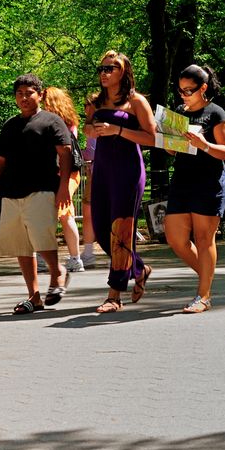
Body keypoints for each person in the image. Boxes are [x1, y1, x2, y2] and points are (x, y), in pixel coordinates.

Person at [0, 74, 74, 314]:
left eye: (29, 92)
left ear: (40, 95)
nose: (24, 97)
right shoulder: (10, 125)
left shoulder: (52, 121)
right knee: (20, 246)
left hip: (42, 189)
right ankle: (34, 297)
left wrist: (63, 188)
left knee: (43, 238)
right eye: (20, 93)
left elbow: (66, 154)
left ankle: (57, 271)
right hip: (11, 192)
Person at [84, 51, 157, 313]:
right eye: (101, 68)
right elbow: (87, 128)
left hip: (128, 172)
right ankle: (139, 267)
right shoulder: (95, 101)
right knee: (102, 230)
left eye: (110, 68)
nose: (104, 73)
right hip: (102, 171)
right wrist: (92, 129)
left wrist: (119, 130)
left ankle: (114, 295)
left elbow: (152, 138)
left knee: (120, 231)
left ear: (123, 72)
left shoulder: (136, 101)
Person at [163, 64, 225, 313]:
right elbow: (171, 149)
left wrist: (204, 144)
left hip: (209, 181)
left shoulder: (216, 113)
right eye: (180, 90)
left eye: (189, 90)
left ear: (203, 88)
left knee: (204, 239)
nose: (183, 95)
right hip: (182, 180)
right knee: (175, 239)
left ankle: (203, 295)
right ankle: (207, 274)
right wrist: (169, 141)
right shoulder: (178, 113)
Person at [42, 86, 85, 272]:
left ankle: (73, 259)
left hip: (62, 174)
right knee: (63, 213)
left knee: (63, 214)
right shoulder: (70, 123)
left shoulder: (51, 123)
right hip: (70, 174)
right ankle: (73, 258)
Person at [80, 134, 97, 267]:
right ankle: (115, 254)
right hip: (116, 173)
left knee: (88, 214)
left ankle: (88, 253)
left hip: (96, 175)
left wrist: (78, 152)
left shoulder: (95, 126)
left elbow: (91, 153)